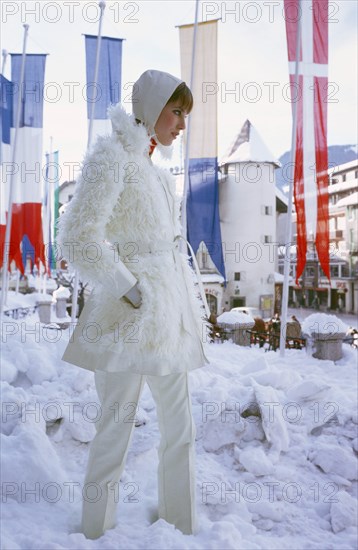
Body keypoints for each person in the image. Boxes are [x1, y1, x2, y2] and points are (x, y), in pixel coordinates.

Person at [57, 69, 209, 539]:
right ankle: (95, 533)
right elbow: (78, 238)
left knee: (181, 430)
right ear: (152, 107)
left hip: (172, 318)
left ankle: (179, 529)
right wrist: (129, 287)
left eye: (186, 114)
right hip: (127, 317)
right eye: (176, 111)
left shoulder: (159, 176)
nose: (181, 124)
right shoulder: (112, 157)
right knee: (114, 430)